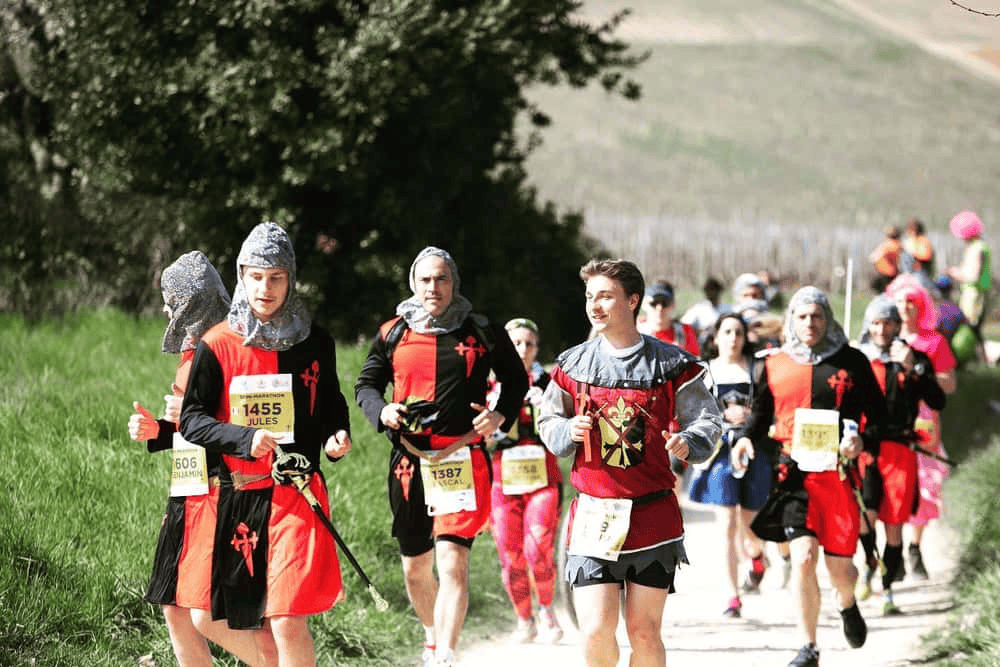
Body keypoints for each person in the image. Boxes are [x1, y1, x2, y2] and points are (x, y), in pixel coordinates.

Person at [180, 222, 353, 667]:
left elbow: (330, 401)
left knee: (286, 618)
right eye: (256, 276)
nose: (265, 288)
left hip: (297, 491)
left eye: (276, 277)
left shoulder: (316, 342)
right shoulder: (216, 344)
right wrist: (245, 437)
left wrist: (337, 432)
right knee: (211, 617)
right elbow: (193, 421)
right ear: (241, 276)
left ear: (290, 278)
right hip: (237, 497)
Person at [537, 258, 723, 667]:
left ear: (633, 300)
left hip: (652, 515)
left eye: (605, 296)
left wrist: (688, 440)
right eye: (590, 297)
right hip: (593, 514)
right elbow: (547, 419)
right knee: (597, 629)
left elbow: (708, 419)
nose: (594, 305)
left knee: (643, 631)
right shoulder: (571, 365)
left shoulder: (673, 364)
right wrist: (566, 430)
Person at [354, 246, 528, 667]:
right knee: (415, 570)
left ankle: (446, 655)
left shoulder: (480, 331)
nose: (434, 287)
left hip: (462, 458)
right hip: (409, 463)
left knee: (453, 563)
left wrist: (499, 416)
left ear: (454, 283)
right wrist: (383, 411)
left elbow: (516, 379)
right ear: (414, 283)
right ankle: (432, 635)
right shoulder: (393, 332)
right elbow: (366, 385)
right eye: (426, 279)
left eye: (442, 278)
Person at [129, 251, 277, 666]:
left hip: (220, 493)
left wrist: (196, 416)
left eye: (171, 299)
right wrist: (159, 430)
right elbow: (190, 429)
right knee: (174, 610)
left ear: (191, 302)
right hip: (187, 484)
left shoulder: (231, 347)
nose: (164, 308)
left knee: (206, 615)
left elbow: (247, 425)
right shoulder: (192, 350)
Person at [731, 286, 887, 667]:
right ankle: (808, 647)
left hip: (837, 477)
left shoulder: (852, 361)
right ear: (790, 321)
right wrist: (745, 440)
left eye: (817, 315)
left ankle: (847, 603)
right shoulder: (771, 364)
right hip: (793, 478)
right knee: (802, 557)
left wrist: (861, 440)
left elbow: (880, 417)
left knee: (840, 570)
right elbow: (760, 416)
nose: (810, 323)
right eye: (802, 316)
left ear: (828, 318)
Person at [855, 295, 946, 615]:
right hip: (865, 449)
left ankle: (888, 588)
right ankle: (869, 565)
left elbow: (937, 400)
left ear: (897, 325)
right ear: (869, 325)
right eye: (877, 323)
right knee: (865, 516)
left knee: (894, 525)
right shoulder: (858, 359)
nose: (882, 329)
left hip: (900, 451)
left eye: (888, 323)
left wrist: (914, 368)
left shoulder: (914, 358)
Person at [688, 313, 773, 618]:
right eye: (727, 332)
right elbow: (693, 411)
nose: (733, 338)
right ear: (715, 337)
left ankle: (756, 553)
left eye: (738, 332)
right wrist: (721, 420)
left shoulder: (758, 369)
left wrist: (749, 418)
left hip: (753, 450)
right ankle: (732, 595)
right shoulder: (705, 371)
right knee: (726, 524)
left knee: (747, 522)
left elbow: (768, 410)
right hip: (719, 454)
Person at [486, 318, 564, 644]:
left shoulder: (550, 384)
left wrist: (548, 408)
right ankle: (524, 617)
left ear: (537, 348)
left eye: (529, 344)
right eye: (516, 343)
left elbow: (568, 430)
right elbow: (476, 438)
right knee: (510, 554)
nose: (523, 349)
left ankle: (546, 608)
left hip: (542, 478)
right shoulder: (488, 386)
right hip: (502, 480)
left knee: (537, 549)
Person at [886, 273, 958, 580]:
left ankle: (915, 547)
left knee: (926, 486)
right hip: (892, 421)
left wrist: (920, 371)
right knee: (893, 487)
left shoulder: (935, 341)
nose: (905, 308)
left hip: (924, 420)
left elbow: (950, 384)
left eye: (912, 302)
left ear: (921, 307)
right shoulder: (884, 340)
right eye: (900, 302)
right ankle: (894, 548)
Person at [946, 210, 992, 337]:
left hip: (973, 296)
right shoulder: (983, 246)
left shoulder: (976, 249)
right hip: (980, 294)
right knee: (976, 331)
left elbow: (972, 276)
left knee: (970, 329)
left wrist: (954, 273)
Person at [638, 280, 700, 356]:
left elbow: (695, 363)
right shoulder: (634, 333)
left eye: (665, 302)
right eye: (654, 302)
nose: (659, 308)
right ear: (644, 304)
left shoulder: (685, 332)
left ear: (673, 305)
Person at [681, 276, 727, 346]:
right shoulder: (699, 308)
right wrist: (700, 332)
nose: (711, 292)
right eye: (708, 290)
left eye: (713, 289)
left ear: (719, 291)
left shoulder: (727, 309)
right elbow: (684, 324)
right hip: (703, 345)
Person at [868, 225, 902, 293]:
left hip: (887, 274)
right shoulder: (899, 245)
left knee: (878, 289)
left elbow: (873, 258)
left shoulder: (888, 245)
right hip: (896, 273)